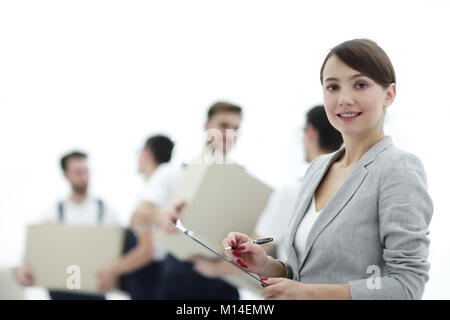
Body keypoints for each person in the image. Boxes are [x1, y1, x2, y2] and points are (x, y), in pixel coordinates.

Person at [223, 39, 433, 300]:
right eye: (332, 86)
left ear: (389, 94)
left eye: (360, 84)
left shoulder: (398, 169)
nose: (344, 99)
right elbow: (307, 273)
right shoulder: (318, 168)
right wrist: (265, 264)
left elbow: (406, 285)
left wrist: (309, 294)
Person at [191, 105, 343, 279]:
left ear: (310, 132)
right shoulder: (354, 189)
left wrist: (213, 268)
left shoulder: (294, 194)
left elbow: (256, 250)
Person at [149, 101, 243, 300]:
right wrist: (161, 215)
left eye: (236, 129)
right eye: (224, 126)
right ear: (206, 127)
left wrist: (218, 269)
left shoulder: (242, 183)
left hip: (223, 283)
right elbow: (139, 213)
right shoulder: (173, 173)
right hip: (177, 278)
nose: (229, 134)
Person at [15, 151, 119, 300]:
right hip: (60, 291)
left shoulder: (106, 210)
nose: (84, 177)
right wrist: (22, 268)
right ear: (66, 175)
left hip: (95, 290)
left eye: (86, 171)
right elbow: (34, 247)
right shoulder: (53, 212)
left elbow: (119, 248)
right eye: (78, 172)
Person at [97, 135, 182, 299]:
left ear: (146, 153)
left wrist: (111, 271)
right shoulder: (171, 187)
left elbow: (146, 251)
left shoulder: (153, 187)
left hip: (150, 278)